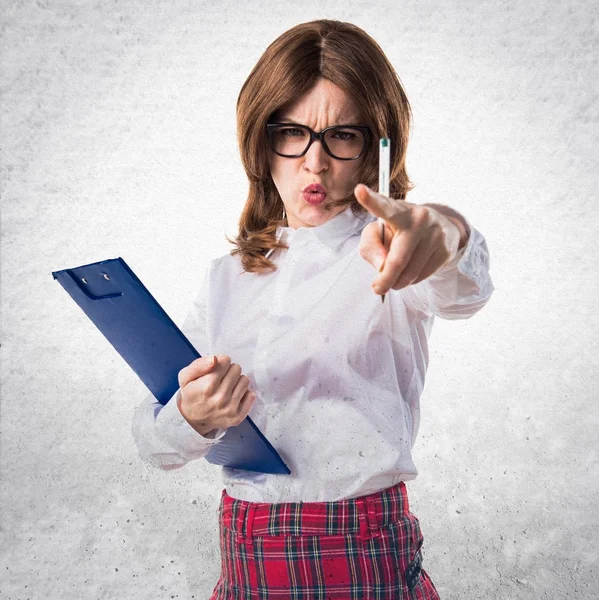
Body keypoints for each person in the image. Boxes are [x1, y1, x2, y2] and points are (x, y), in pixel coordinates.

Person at [132, 19, 494, 599]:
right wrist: (193, 418)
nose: (315, 164)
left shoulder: (392, 252)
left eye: (342, 135)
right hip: (246, 555)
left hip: (365, 553)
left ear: (378, 146)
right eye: (292, 133)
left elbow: (465, 288)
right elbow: (153, 442)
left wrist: (446, 230)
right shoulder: (228, 277)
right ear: (260, 140)